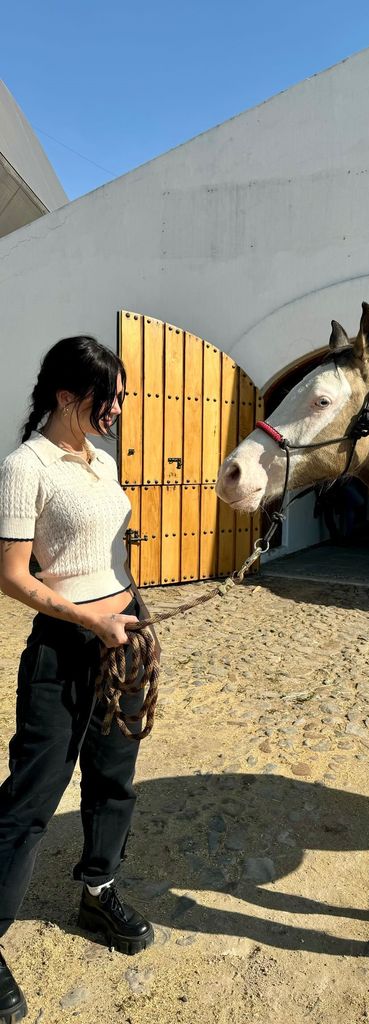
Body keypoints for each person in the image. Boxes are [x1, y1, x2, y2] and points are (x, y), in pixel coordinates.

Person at [0, 336, 160, 1022]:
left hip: (121, 637)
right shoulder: (24, 466)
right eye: (108, 397)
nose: (119, 408)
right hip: (63, 649)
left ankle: (98, 892)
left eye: (121, 396)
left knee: (114, 778)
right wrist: (90, 620)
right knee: (30, 802)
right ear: (67, 395)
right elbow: (11, 575)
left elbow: (102, 549)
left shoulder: (102, 461)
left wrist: (126, 609)